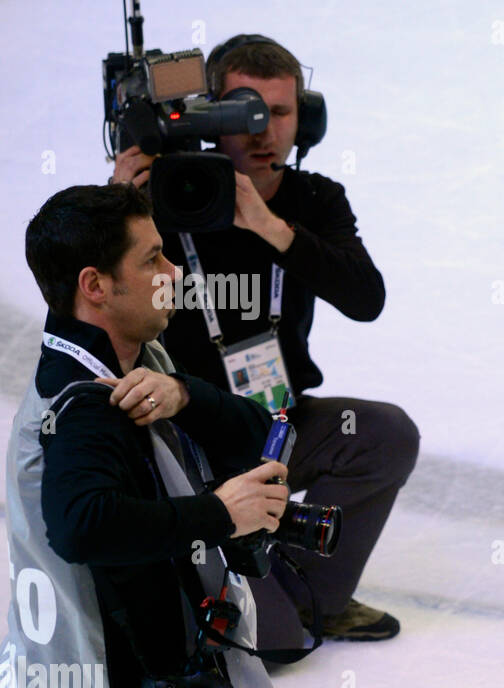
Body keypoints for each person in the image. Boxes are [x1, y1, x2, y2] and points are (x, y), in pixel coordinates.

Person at [1, 183, 290, 688]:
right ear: (95, 285)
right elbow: (83, 525)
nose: (174, 275)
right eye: (154, 260)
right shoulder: (84, 409)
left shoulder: (137, 362)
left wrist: (186, 395)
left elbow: (260, 430)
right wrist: (219, 513)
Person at [112, 34, 419, 645]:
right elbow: (92, 303)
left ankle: (313, 596)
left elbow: (366, 299)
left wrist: (269, 226)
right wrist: (117, 207)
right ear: (205, 119)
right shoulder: (161, 203)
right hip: (188, 438)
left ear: (305, 120)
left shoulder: (314, 199)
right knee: (271, 646)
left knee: (383, 434)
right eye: (242, 111)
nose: (262, 130)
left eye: (278, 112)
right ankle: (258, 589)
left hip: (276, 423)